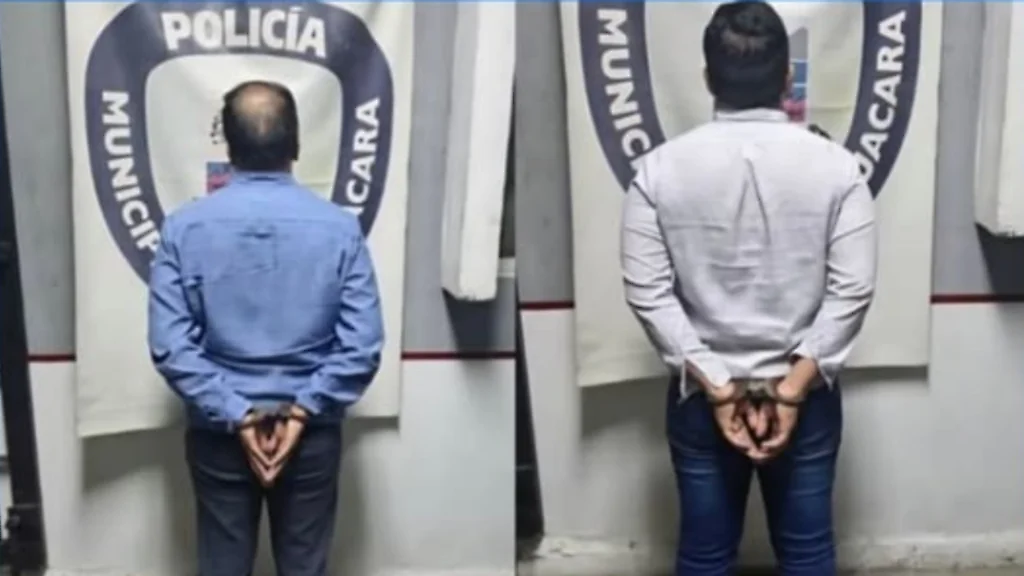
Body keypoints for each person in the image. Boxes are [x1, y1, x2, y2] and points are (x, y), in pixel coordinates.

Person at [619, 2, 877, 575]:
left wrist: (717, 385)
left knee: (705, 557)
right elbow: (853, 291)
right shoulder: (838, 169)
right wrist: (791, 389)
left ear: (707, 77)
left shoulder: (656, 172)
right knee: (808, 556)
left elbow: (648, 293)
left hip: (702, 393)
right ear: (787, 78)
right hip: (805, 393)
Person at [147, 80, 384, 576]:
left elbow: (170, 346)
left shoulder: (183, 229)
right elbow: (361, 346)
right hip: (311, 433)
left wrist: (238, 414)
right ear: (295, 144)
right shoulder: (340, 229)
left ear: (229, 148)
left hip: (219, 432)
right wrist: (301, 411)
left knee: (223, 565)